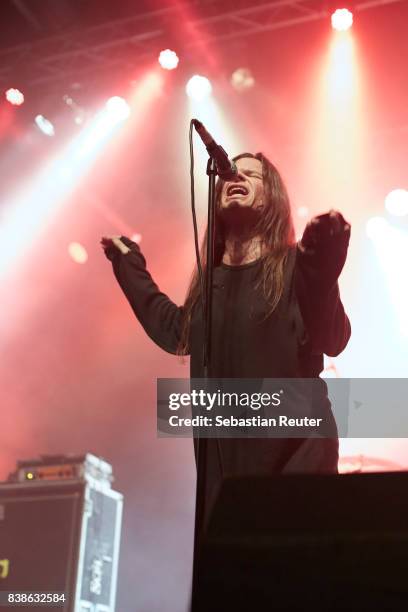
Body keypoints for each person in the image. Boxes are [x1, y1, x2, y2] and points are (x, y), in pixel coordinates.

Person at [101, 152, 351, 528]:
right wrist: (128, 264)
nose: (234, 175)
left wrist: (324, 259)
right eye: (229, 173)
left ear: (271, 198)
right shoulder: (211, 286)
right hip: (227, 471)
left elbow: (333, 337)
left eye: (252, 174)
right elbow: (174, 331)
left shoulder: (294, 266)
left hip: (298, 460)